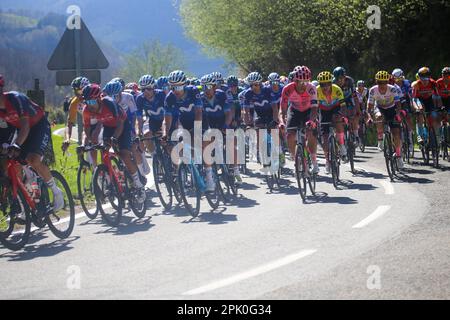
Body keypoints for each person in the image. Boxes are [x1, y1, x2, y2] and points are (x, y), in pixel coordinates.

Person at [0, 74, 65, 212]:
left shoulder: (16, 99)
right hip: (17, 128)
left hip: (37, 125)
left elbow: (25, 126)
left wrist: (16, 145)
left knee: (33, 159)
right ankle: (25, 206)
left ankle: (56, 192)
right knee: (11, 165)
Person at [82, 83, 145, 203]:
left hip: (122, 125)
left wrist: (115, 138)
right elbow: (87, 127)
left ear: (99, 99)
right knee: (103, 152)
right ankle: (111, 181)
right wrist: (90, 142)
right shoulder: (87, 110)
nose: (89, 106)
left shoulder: (109, 103)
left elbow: (120, 124)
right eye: (87, 102)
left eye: (91, 102)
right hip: (108, 127)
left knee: (124, 154)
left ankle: (138, 183)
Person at [279, 66, 320, 173]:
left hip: (308, 111)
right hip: (294, 110)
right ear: (295, 80)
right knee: (289, 135)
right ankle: (295, 158)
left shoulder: (311, 88)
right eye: (301, 82)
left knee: (311, 132)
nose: (304, 85)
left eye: (306, 82)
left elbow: (315, 108)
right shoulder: (287, 89)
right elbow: (282, 109)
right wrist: (282, 121)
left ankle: (314, 160)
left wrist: (311, 121)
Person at [367, 71, 404, 169]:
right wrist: (370, 117)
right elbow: (370, 107)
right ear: (376, 82)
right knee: (379, 117)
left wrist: (397, 114)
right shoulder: (373, 90)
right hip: (379, 108)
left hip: (391, 109)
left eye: (384, 82)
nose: (382, 84)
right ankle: (380, 139)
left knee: (396, 133)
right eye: (380, 82)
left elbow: (398, 104)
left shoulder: (392, 89)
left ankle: (399, 155)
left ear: (387, 81)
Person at [316, 71, 347, 173]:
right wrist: (315, 120)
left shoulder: (337, 89)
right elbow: (314, 107)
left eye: (328, 84)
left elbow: (343, 105)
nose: (325, 87)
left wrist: (343, 116)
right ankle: (327, 160)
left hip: (335, 108)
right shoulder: (316, 91)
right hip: (323, 111)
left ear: (331, 83)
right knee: (325, 140)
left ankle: (342, 145)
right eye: (322, 84)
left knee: (338, 120)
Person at [333, 67, 361, 147]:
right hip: (338, 101)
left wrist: (358, 110)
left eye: (342, 78)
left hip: (348, 99)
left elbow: (355, 97)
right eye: (337, 78)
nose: (339, 80)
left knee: (354, 115)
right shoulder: (333, 82)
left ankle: (356, 135)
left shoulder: (350, 81)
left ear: (345, 77)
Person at [411, 67, 440, 145]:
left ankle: (434, 136)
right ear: (419, 77)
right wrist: (417, 108)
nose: (424, 80)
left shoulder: (433, 83)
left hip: (429, 100)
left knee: (434, 116)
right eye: (422, 77)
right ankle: (419, 135)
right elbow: (414, 99)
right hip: (419, 100)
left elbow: (437, 96)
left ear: (429, 77)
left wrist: (440, 107)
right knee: (420, 114)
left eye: (426, 77)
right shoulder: (416, 84)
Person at [63, 77, 91, 150]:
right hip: (88, 125)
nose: (76, 93)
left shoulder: (94, 96)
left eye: (78, 90)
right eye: (74, 90)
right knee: (86, 149)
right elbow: (69, 123)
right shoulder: (74, 102)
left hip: (102, 123)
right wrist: (67, 138)